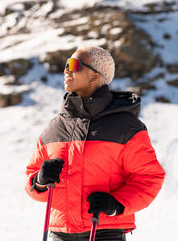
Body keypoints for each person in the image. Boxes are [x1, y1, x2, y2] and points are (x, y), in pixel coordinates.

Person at [25, 45, 165, 241]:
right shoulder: (55, 127)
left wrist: (116, 204)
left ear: (95, 76)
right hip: (60, 233)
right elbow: (31, 180)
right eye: (66, 64)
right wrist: (39, 181)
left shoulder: (125, 127)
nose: (67, 70)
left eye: (74, 65)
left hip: (103, 231)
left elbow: (149, 178)